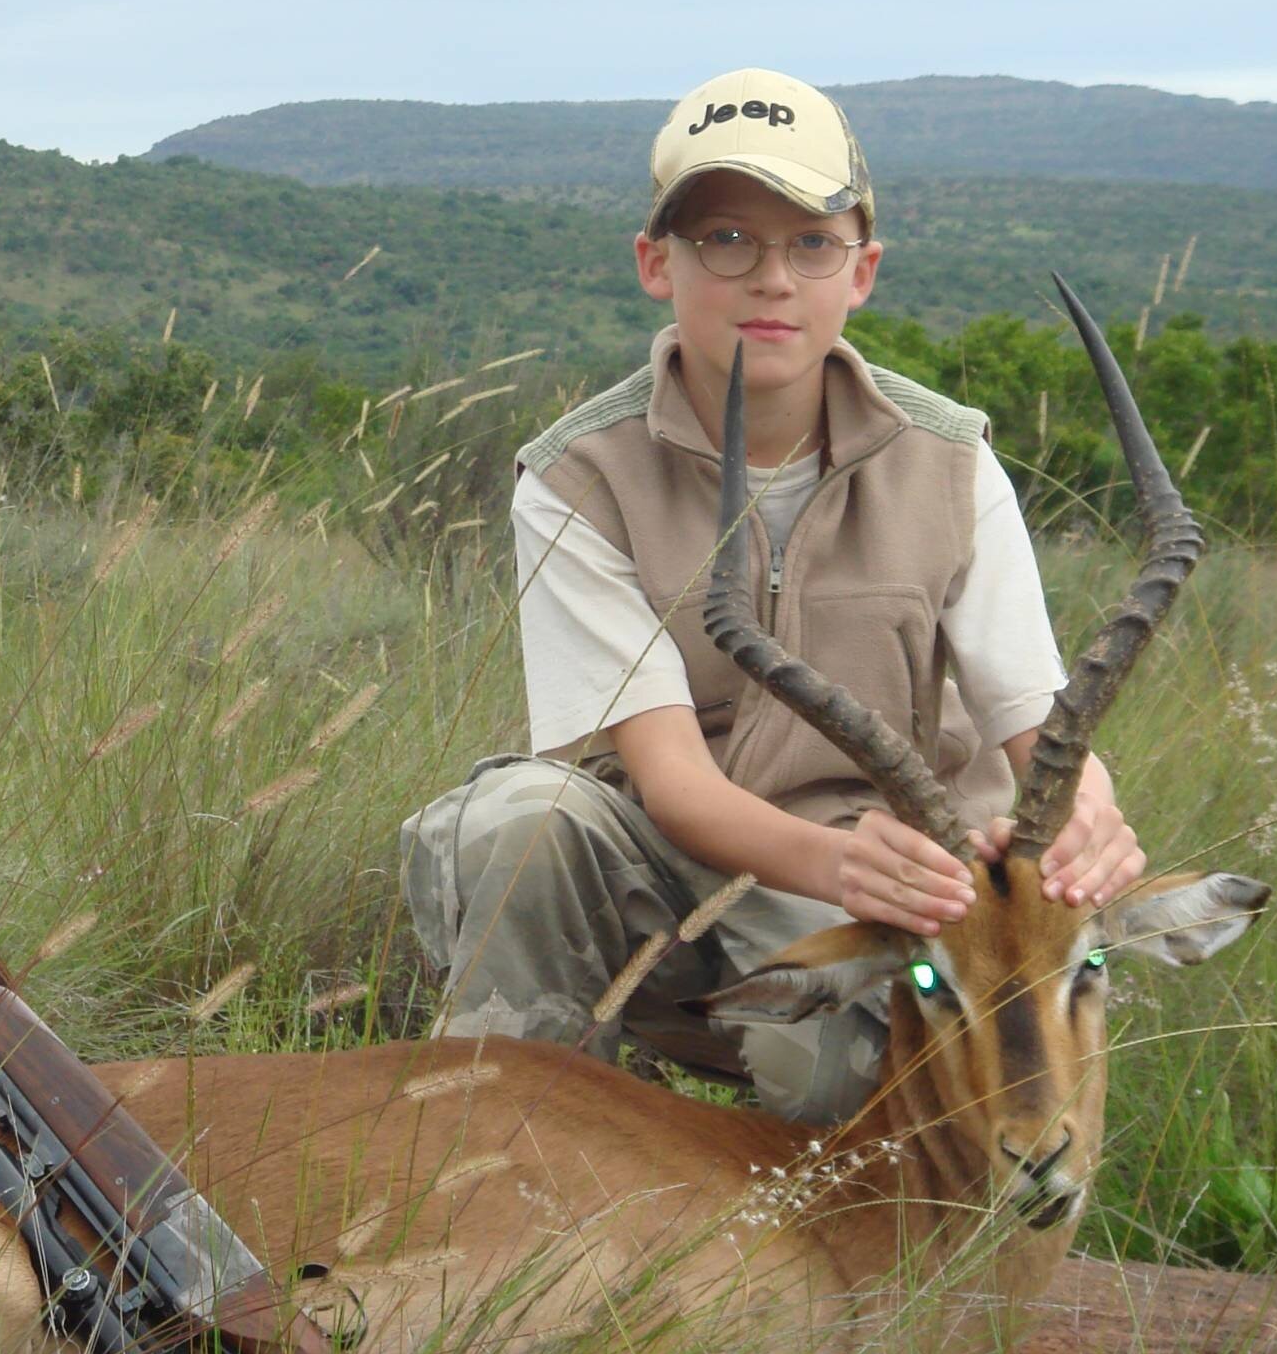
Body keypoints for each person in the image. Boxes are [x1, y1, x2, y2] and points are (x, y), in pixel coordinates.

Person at [399, 66, 1150, 1124]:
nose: (770, 280)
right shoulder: (577, 475)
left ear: (863, 270)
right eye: (725, 242)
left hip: (905, 870)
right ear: (655, 263)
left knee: (839, 1087)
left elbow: (1036, 725)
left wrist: (1091, 816)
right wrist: (832, 865)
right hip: (691, 862)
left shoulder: (952, 461)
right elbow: (672, 783)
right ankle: (514, 1161)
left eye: (809, 243)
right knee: (517, 821)